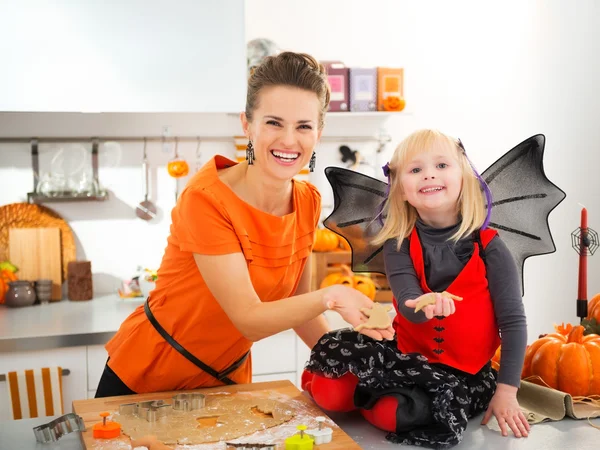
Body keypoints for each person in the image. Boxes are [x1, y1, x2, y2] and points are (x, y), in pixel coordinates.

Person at [95, 51, 394, 398]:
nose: (288, 140)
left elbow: (298, 307)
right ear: (247, 124)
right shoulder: (207, 200)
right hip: (149, 378)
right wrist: (332, 295)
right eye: (273, 122)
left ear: (319, 133)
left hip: (225, 381)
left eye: (303, 126)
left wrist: (347, 363)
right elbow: (249, 318)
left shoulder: (307, 201)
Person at [302, 129, 530, 448]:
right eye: (415, 169)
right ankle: (350, 390)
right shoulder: (399, 244)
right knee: (332, 386)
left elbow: (514, 323)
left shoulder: (491, 248)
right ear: (401, 190)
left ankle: (368, 396)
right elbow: (407, 301)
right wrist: (422, 305)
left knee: (394, 414)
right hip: (407, 355)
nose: (429, 175)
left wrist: (507, 391)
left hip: (462, 372)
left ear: (464, 177)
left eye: (441, 165)